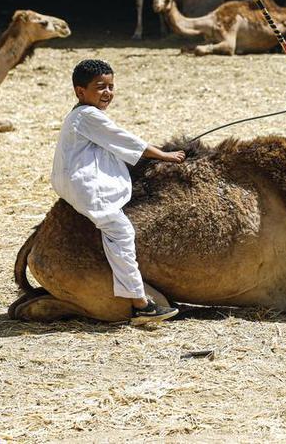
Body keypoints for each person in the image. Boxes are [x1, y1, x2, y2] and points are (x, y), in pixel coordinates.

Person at [51, 59, 186, 324]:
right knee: (121, 232)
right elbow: (124, 139)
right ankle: (141, 305)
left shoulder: (84, 116)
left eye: (111, 87)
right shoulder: (87, 116)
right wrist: (164, 156)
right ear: (80, 91)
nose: (108, 93)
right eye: (100, 87)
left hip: (77, 181)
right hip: (85, 185)